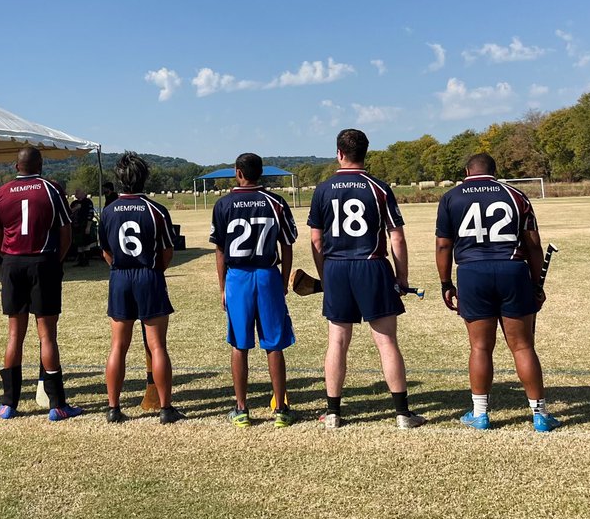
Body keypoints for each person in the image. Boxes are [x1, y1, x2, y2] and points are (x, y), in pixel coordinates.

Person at [307, 129, 425, 430]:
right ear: (365, 153)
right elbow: (396, 237)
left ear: (339, 153)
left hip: (336, 268)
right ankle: (402, 413)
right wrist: (401, 277)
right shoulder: (379, 188)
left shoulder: (323, 189)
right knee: (386, 341)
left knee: (337, 341)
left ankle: (332, 413)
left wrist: (324, 276)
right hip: (372, 266)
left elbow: (316, 240)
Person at [436, 153, 561, 432]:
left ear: (467, 171)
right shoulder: (516, 195)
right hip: (512, 270)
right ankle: (540, 415)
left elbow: (444, 245)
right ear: (495, 170)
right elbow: (533, 244)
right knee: (523, 346)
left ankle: (480, 414)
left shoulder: (451, 197)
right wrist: (537, 284)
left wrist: (445, 283)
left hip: (472, 273)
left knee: (480, 347)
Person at [0, 146, 82, 421]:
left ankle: (8, 403)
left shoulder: (1, 193)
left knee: (14, 335)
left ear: (16, 166)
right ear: (41, 165)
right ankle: (57, 405)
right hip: (44, 262)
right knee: (47, 335)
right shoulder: (51, 190)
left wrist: (11, 258)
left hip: (12, 264)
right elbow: (66, 234)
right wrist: (54, 261)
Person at [209, 152, 298, 428]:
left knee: (240, 344)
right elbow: (287, 245)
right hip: (268, 274)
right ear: (261, 173)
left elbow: (220, 250)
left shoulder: (224, 204)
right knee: (274, 343)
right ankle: (281, 408)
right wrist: (283, 279)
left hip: (238, 278)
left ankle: (241, 409)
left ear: (238, 173)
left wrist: (223, 287)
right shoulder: (276, 202)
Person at [98, 152, 184, 424]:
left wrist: (119, 268)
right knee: (157, 346)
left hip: (120, 277)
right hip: (149, 276)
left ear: (119, 179)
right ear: (144, 177)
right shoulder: (156, 210)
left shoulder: (108, 211)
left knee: (117, 346)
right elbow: (167, 251)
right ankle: (165, 408)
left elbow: (105, 251)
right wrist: (155, 271)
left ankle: (113, 408)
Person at [69, 191, 97, 266]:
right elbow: (69, 212)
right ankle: (80, 260)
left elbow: (90, 214)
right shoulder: (74, 203)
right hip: (76, 225)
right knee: (79, 243)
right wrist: (76, 208)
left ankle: (86, 260)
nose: (76, 194)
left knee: (86, 243)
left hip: (85, 224)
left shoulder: (88, 202)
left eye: (77, 193)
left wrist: (88, 227)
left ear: (83, 194)